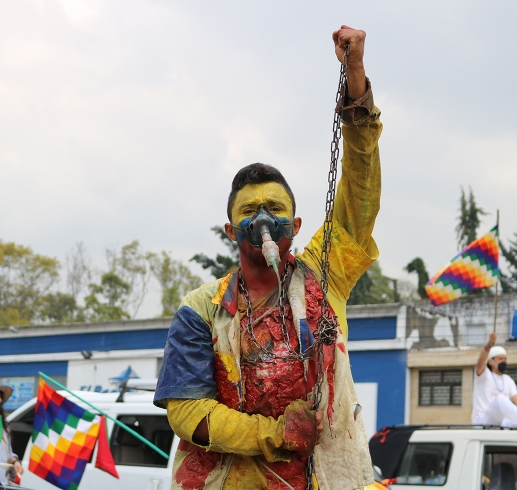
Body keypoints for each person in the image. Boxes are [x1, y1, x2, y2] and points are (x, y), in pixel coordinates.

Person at [154, 25, 382, 490]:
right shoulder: (201, 310)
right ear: (230, 229)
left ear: (296, 227)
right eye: (249, 211)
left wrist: (354, 76)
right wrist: (274, 434)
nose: (263, 220)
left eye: (276, 210)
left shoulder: (325, 274)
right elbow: (188, 413)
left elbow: (358, 194)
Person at [472, 332, 517, 428]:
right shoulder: (484, 376)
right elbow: (480, 363)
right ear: (490, 361)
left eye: (505, 359)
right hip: (483, 421)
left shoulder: (507, 380)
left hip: (502, 422)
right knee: (500, 399)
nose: (504, 361)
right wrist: (489, 344)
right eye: (500, 359)